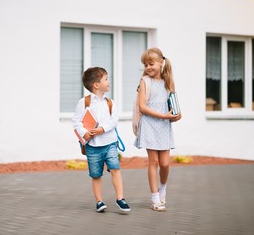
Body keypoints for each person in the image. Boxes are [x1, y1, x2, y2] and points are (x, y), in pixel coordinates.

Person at [73, 67, 131, 213]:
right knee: (96, 174)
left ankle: (120, 199)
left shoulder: (110, 102)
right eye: (106, 79)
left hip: (110, 143)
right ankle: (99, 202)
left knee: (115, 169)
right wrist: (84, 133)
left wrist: (102, 129)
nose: (108, 81)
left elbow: (114, 120)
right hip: (92, 146)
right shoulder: (84, 102)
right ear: (96, 85)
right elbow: (76, 122)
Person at [134, 48, 182, 211]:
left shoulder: (169, 81)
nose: (148, 67)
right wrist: (163, 116)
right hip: (149, 124)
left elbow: (174, 105)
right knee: (153, 162)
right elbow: (142, 107)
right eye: (145, 64)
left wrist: (177, 114)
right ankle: (155, 198)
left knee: (165, 163)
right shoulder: (144, 81)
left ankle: (163, 189)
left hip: (164, 126)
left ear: (161, 62)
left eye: (151, 63)